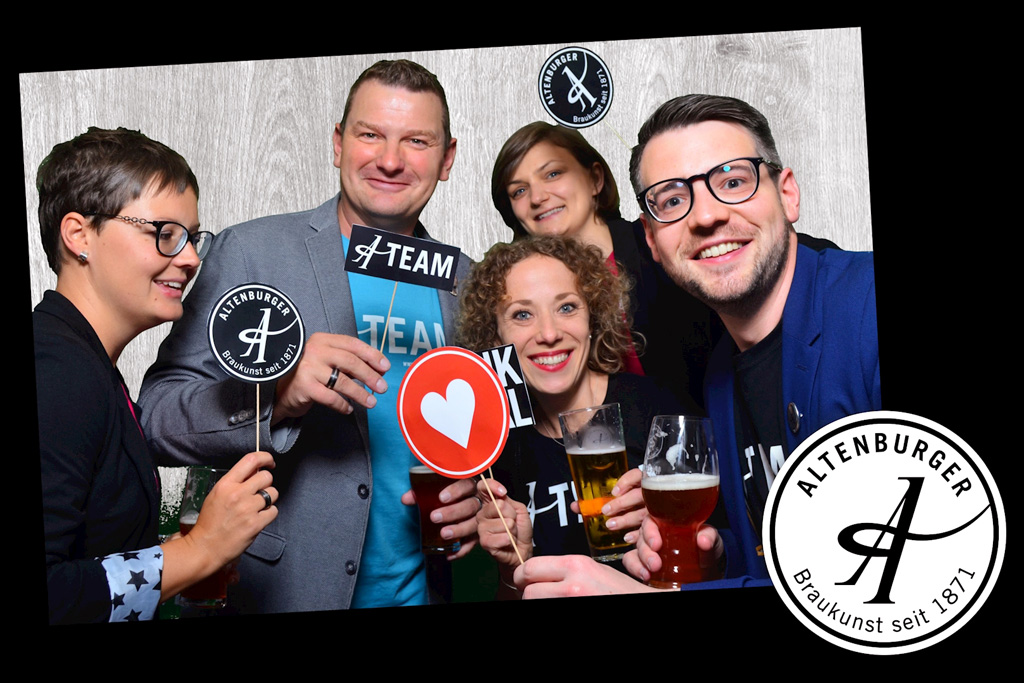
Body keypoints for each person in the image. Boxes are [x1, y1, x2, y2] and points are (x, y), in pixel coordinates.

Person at [138, 60, 479, 613]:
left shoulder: (468, 282)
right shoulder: (251, 252)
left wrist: (478, 499)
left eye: (416, 141)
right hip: (285, 595)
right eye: (370, 135)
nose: (391, 160)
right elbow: (155, 417)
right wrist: (276, 396)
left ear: (447, 159)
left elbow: (488, 438)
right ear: (338, 143)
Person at [513, 94, 880, 598]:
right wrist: (717, 554)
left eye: (732, 181)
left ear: (788, 194)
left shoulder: (867, 309)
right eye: (671, 200)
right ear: (651, 239)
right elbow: (781, 556)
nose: (705, 215)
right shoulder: (720, 376)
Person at [35, 127, 279, 623]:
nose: (190, 259)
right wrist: (197, 551)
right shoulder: (56, 370)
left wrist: (180, 565)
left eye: (192, 238)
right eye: (164, 234)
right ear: (79, 236)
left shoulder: (89, 364)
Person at [458, 236, 697, 598]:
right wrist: (513, 566)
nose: (549, 334)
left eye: (566, 307)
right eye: (522, 314)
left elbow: (716, 563)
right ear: (496, 336)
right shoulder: (498, 451)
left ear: (592, 318)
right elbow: (514, 592)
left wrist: (670, 531)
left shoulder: (657, 411)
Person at [491, 122, 713, 405]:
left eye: (553, 174)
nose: (537, 197)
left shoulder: (658, 245)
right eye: (519, 191)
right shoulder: (510, 287)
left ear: (595, 179)